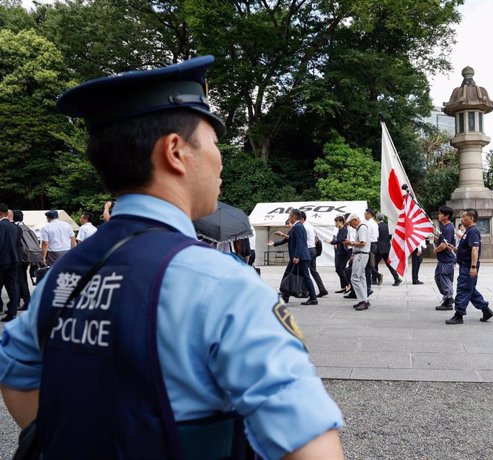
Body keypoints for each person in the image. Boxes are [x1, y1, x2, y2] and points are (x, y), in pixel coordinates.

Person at [0, 56, 343, 459]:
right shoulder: (222, 283)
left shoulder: (63, 274)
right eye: (214, 144)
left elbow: (17, 377)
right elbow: (309, 447)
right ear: (175, 151)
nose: (220, 162)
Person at [445, 208, 493, 325]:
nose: (462, 220)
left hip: (468, 266)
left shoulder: (473, 231)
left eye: (464, 218)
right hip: (465, 265)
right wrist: (456, 249)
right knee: (470, 290)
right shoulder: (469, 231)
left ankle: (459, 315)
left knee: (463, 289)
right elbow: (467, 249)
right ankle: (486, 310)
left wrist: (473, 267)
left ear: (471, 219)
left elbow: (475, 249)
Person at [285, 209, 318, 305]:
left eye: (289, 216)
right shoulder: (299, 226)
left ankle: (313, 298)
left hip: (301, 257)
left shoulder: (298, 227)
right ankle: (285, 295)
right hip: (302, 256)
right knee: (291, 274)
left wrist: (296, 256)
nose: (288, 218)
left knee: (305, 277)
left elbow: (300, 242)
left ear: (293, 217)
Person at [343, 213, 370, 310]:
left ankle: (363, 300)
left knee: (354, 277)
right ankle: (364, 299)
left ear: (355, 220)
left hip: (361, 254)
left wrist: (350, 243)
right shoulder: (362, 227)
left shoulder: (362, 227)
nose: (350, 225)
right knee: (361, 277)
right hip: (361, 254)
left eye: (350, 223)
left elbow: (362, 243)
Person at [433, 206, 457, 311]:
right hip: (443, 259)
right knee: (438, 277)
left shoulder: (448, 228)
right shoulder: (446, 228)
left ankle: (448, 300)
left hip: (446, 259)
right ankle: (448, 296)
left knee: (445, 279)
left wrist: (436, 250)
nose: (439, 215)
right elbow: (446, 241)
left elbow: (443, 246)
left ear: (446, 216)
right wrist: (436, 238)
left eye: (440, 214)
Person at [0, 203, 20, 322]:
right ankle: (12, 313)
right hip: (14, 260)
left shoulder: (1, 226)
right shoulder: (14, 226)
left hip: (2, 261)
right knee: (12, 287)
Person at [301, 211, 327, 297]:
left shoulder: (303, 227)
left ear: (302, 218)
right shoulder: (310, 225)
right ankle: (322, 289)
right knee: (313, 271)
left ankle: (304, 292)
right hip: (313, 250)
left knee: (304, 271)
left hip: (308, 250)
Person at [11, 210, 32, 310]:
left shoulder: (15, 227)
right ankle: (21, 302)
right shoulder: (26, 227)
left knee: (19, 280)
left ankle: (26, 302)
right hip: (26, 257)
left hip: (18, 257)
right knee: (22, 279)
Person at [374, 212, 402, 286]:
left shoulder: (377, 226)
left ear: (376, 218)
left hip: (379, 248)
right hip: (387, 248)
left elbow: (376, 237)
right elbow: (390, 237)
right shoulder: (388, 226)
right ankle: (397, 278)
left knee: (373, 264)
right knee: (389, 265)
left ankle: (374, 278)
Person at [330, 216, 350, 293]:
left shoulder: (344, 230)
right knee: (339, 269)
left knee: (339, 269)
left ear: (341, 222)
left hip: (344, 252)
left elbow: (341, 240)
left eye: (337, 222)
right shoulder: (340, 229)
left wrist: (332, 242)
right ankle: (344, 286)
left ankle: (347, 284)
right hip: (340, 251)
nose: (336, 223)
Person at [364, 208, 379, 287]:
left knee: (369, 265)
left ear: (369, 214)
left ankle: (369, 283)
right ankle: (374, 277)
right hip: (373, 244)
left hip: (371, 244)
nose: (364, 215)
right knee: (369, 264)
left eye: (365, 213)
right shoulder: (373, 223)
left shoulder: (370, 224)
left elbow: (367, 235)